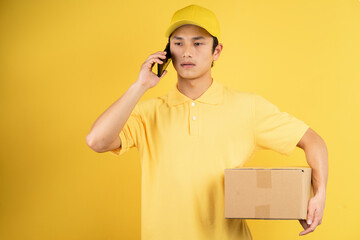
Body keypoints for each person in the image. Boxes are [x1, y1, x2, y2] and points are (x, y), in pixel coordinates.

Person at [86, 4, 328, 240]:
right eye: (178, 43)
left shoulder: (248, 107)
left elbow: (313, 141)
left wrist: (319, 193)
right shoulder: (147, 113)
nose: (187, 52)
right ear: (167, 52)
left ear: (217, 51)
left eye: (198, 43)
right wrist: (139, 86)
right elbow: (96, 141)